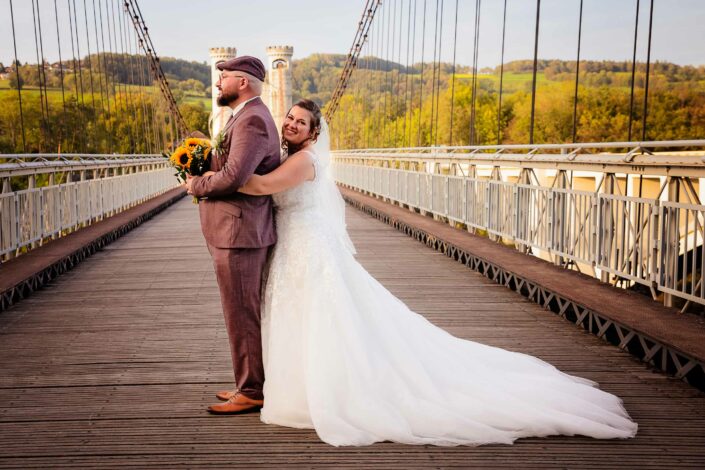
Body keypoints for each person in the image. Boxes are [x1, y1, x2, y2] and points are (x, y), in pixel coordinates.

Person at [244, 99, 638, 446]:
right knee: (307, 316)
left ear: (314, 134)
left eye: (300, 122)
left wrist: (206, 172)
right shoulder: (294, 156)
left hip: (307, 248)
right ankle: (305, 387)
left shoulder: (303, 160)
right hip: (297, 245)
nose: (291, 124)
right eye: (289, 118)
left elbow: (260, 186)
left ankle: (323, 391)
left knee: (319, 317)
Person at [184, 56, 280, 415]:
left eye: (223, 77)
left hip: (239, 232)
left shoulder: (253, 119)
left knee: (242, 313)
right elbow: (227, 166)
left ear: (243, 82)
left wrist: (195, 183)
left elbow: (234, 178)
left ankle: (253, 390)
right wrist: (198, 157)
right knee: (237, 311)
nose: (217, 83)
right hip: (233, 230)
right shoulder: (243, 116)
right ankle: (247, 380)